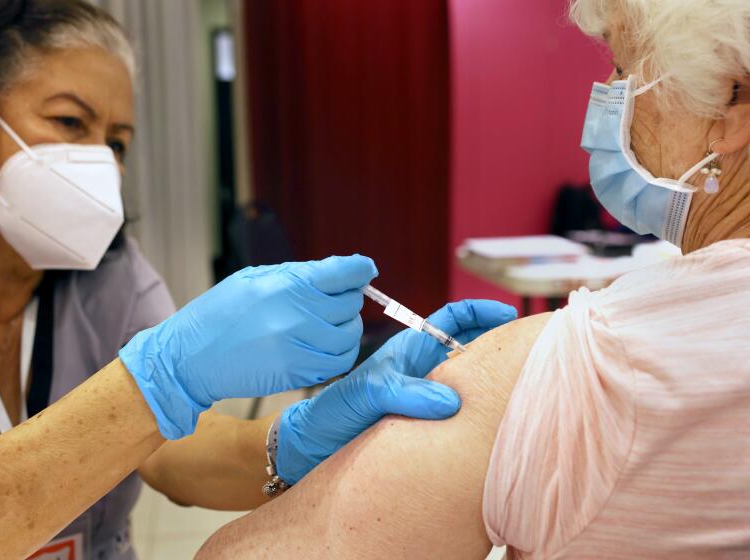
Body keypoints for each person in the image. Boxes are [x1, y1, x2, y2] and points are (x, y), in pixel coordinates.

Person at [0, 1, 519, 558]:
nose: (99, 164)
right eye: (71, 122)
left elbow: (177, 453)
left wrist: (300, 439)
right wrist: (161, 379)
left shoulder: (107, 277)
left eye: (117, 144)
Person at [197, 0, 750, 558]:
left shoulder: (587, 369)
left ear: (727, 105)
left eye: (625, 69)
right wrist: (277, 444)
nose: (608, 91)